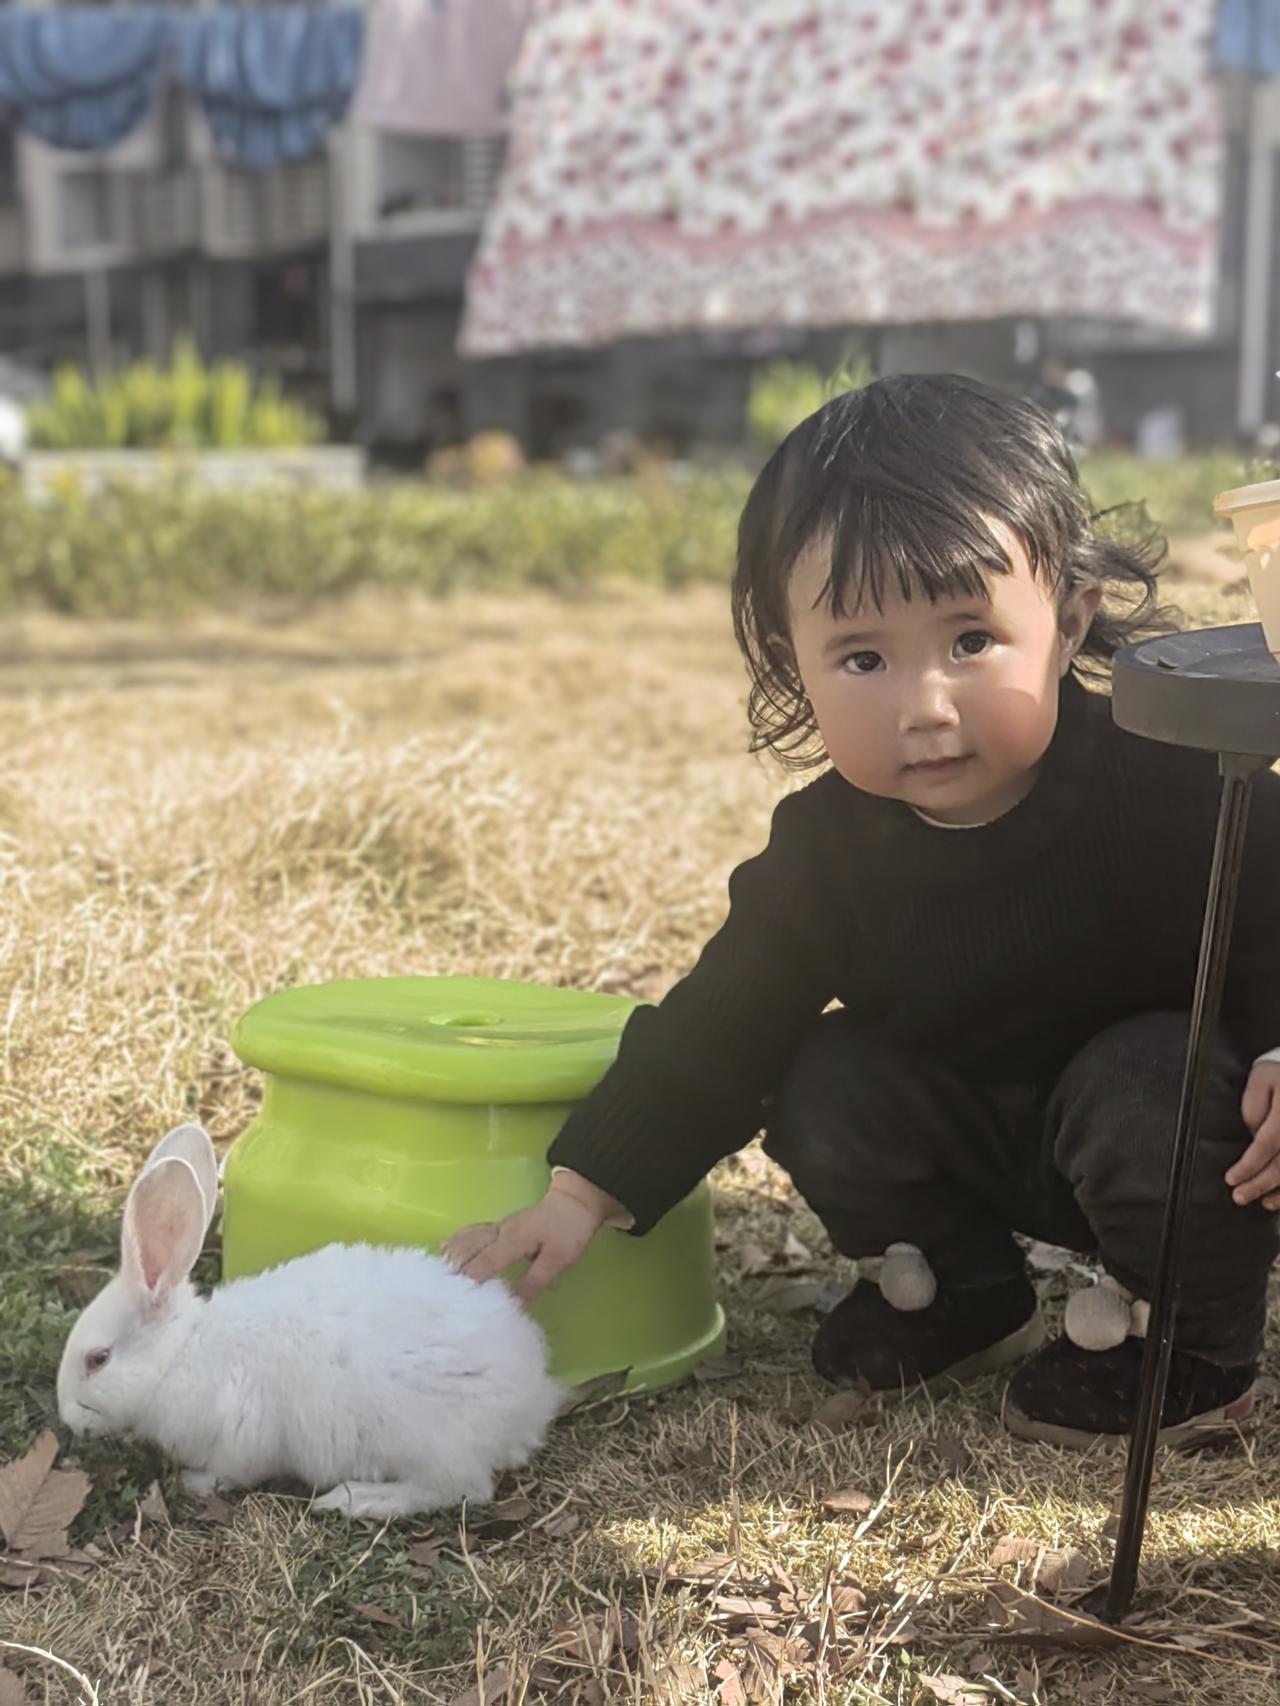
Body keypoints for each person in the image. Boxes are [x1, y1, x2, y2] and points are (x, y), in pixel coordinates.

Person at [445, 373, 1280, 1446]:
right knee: (820, 1073)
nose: (923, 704)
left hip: (1172, 1137)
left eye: (969, 640)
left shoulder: (1173, 787)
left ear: (1067, 623)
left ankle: (1193, 1345)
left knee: (1144, 1082)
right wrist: (579, 1193)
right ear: (791, 659)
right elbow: (717, 1027)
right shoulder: (826, 848)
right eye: (862, 657)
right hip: (975, 1130)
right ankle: (960, 1288)